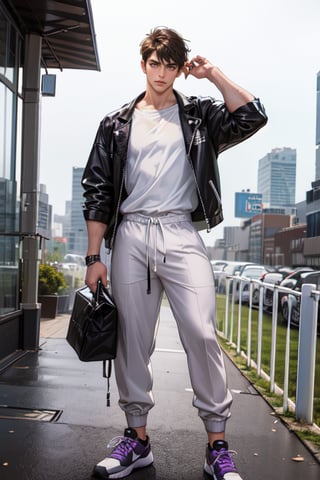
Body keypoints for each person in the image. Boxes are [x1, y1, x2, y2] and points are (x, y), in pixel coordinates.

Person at [82, 26, 267, 480]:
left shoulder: (200, 117)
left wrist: (214, 74)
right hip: (131, 237)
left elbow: (252, 117)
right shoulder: (116, 123)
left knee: (203, 334)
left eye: (170, 63)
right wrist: (93, 257)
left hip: (182, 234)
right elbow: (97, 191)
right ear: (142, 64)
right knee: (132, 342)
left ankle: (217, 446)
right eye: (153, 62)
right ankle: (137, 439)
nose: (161, 71)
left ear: (179, 68)